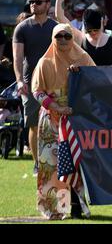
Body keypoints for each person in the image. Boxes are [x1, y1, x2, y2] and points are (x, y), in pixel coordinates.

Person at [31, 23, 95, 219]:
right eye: (59, 36)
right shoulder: (45, 62)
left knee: (75, 164)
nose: (63, 40)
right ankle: (55, 209)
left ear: (73, 37)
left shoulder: (83, 58)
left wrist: (80, 75)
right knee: (51, 165)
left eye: (67, 36)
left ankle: (77, 206)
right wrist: (56, 107)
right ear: (53, 38)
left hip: (76, 118)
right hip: (51, 119)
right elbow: (37, 91)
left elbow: (97, 82)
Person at [13, 0, 58, 176]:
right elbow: (17, 58)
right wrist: (18, 81)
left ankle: (53, 162)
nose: (34, 4)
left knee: (54, 124)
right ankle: (38, 165)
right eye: (31, 1)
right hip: (30, 82)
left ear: (48, 4)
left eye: (38, 2)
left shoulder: (55, 28)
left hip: (52, 82)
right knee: (33, 125)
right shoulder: (22, 28)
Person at [55, 0, 112, 66]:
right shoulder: (81, 38)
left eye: (96, 30)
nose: (93, 33)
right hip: (87, 79)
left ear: (102, 22)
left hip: (109, 79)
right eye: (89, 31)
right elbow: (60, 16)